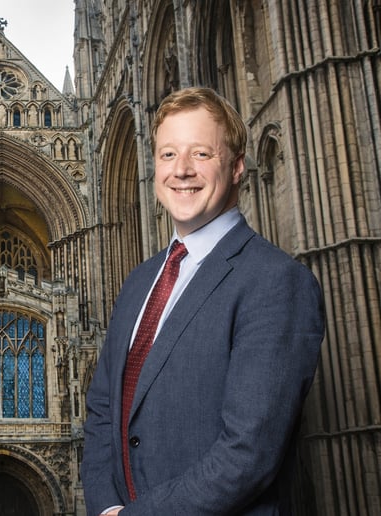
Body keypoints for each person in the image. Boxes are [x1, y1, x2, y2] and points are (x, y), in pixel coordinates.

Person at [81, 86, 325, 515]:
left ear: (236, 167)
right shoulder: (139, 282)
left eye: (202, 154)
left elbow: (249, 454)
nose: (182, 171)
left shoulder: (276, 281)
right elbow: (103, 410)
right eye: (169, 154)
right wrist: (105, 508)